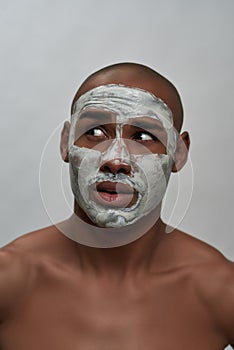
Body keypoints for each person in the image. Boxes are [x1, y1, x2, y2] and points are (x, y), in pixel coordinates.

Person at [0, 62, 233, 350]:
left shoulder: (220, 289)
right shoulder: (9, 280)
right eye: (96, 132)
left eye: (144, 137)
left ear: (179, 153)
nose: (116, 160)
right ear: (66, 142)